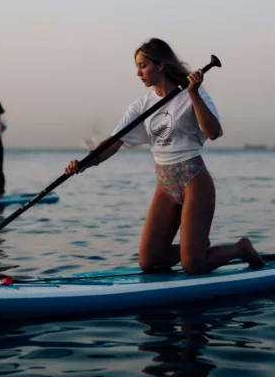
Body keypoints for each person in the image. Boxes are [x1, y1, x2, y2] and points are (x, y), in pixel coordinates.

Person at [65, 38, 264, 274]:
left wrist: (194, 94)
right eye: (137, 67)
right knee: (149, 261)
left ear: (160, 65)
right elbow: (114, 140)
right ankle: (196, 247)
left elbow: (213, 133)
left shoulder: (193, 94)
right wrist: (86, 163)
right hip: (165, 184)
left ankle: (240, 249)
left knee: (193, 265)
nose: (138, 73)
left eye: (143, 65)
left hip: (193, 179)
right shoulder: (141, 106)